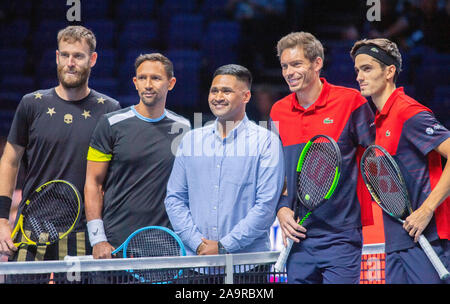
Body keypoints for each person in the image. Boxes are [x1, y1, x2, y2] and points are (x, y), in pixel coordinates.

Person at [0, 25, 121, 262]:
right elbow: (10, 161)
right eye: (65, 55)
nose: (70, 62)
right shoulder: (31, 104)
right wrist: (2, 219)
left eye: (78, 56)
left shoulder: (109, 109)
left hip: (83, 232)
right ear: (57, 57)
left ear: (93, 59)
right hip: (31, 227)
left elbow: (113, 177)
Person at [270, 32, 375, 284]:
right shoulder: (278, 111)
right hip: (298, 237)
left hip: (341, 235)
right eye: (285, 66)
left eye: (296, 64)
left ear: (317, 63)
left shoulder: (351, 102)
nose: (289, 72)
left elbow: (376, 158)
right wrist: (281, 208)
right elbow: (279, 172)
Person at [164, 64, 284, 282]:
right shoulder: (190, 140)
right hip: (196, 264)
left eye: (226, 91)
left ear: (246, 96)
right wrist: (198, 244)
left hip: (248, 269)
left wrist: (223, 246)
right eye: (214, 90)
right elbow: (174, 199)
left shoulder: (266, 142)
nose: (218, 97)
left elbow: (266, 207)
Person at [350, 38, 450, 284]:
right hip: (395, 242)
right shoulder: (378, 121)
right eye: (357, 70)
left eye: (367, 68)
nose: (359, 77)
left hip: (427, 240)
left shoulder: (408, 112)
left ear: (389, 71)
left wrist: (426, 210)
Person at [84, 53, 190, 259]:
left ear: (171, 83)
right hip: (115, 244)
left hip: (165, 244)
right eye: (142, 78)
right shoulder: (110, 124)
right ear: (135, 82)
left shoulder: (184, 128)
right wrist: (98, 239)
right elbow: (93, 183)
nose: (148, 84)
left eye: (156, 78)